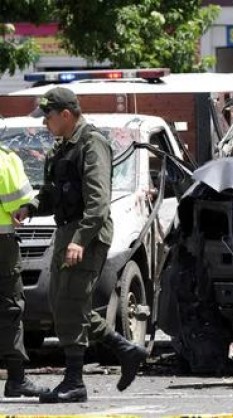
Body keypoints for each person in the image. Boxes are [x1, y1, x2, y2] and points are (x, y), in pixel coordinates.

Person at [14, 87, 147, 403]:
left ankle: (75, 381)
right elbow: (55, 193)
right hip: (67, 233)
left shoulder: (92, 143)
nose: (44, 123)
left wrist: (80, 241)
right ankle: (125, 349)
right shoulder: (63, 147)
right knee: (65, 305)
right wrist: (31, 207)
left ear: (65, 114)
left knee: (72, 305)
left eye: (47, 116)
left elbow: (98, 202)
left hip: (87, 235)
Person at [0, 145, 49, 398]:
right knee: (10, 307)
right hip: (2, 243)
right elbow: (17, 203)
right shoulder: (4, 159)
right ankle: (16, 379)